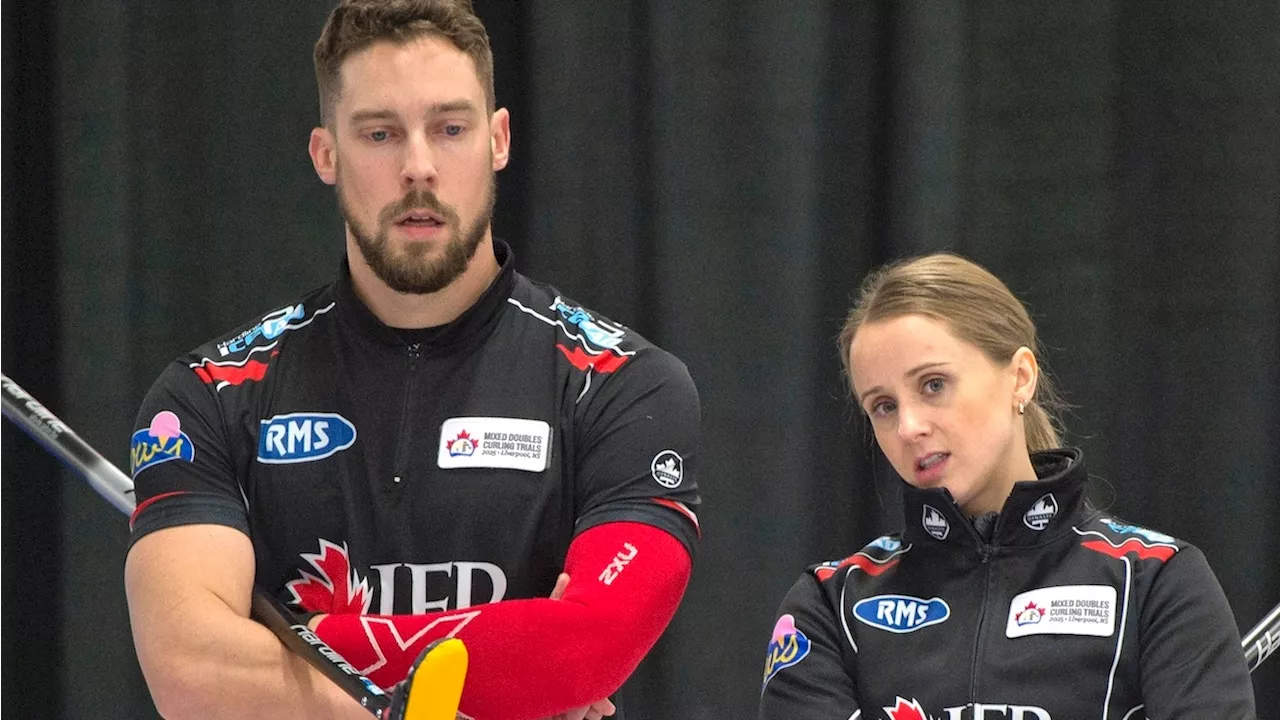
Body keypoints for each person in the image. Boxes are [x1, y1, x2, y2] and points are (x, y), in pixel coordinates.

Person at [123, 2, 702, 719]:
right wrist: (416, 702)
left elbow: (585, 642)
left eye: (450, 129)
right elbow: (190, 668)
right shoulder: (211, 394)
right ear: (325, 153)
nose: (418, 168)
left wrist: (305, 644)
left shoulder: (622, 382)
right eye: (380, 134)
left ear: (499, 140)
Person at [758, 253, 1256, 719]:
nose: (909, 426)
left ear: (1020, 377)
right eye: (884, 406)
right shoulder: (829, 604)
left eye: (934, 385)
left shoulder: (1157, 582)